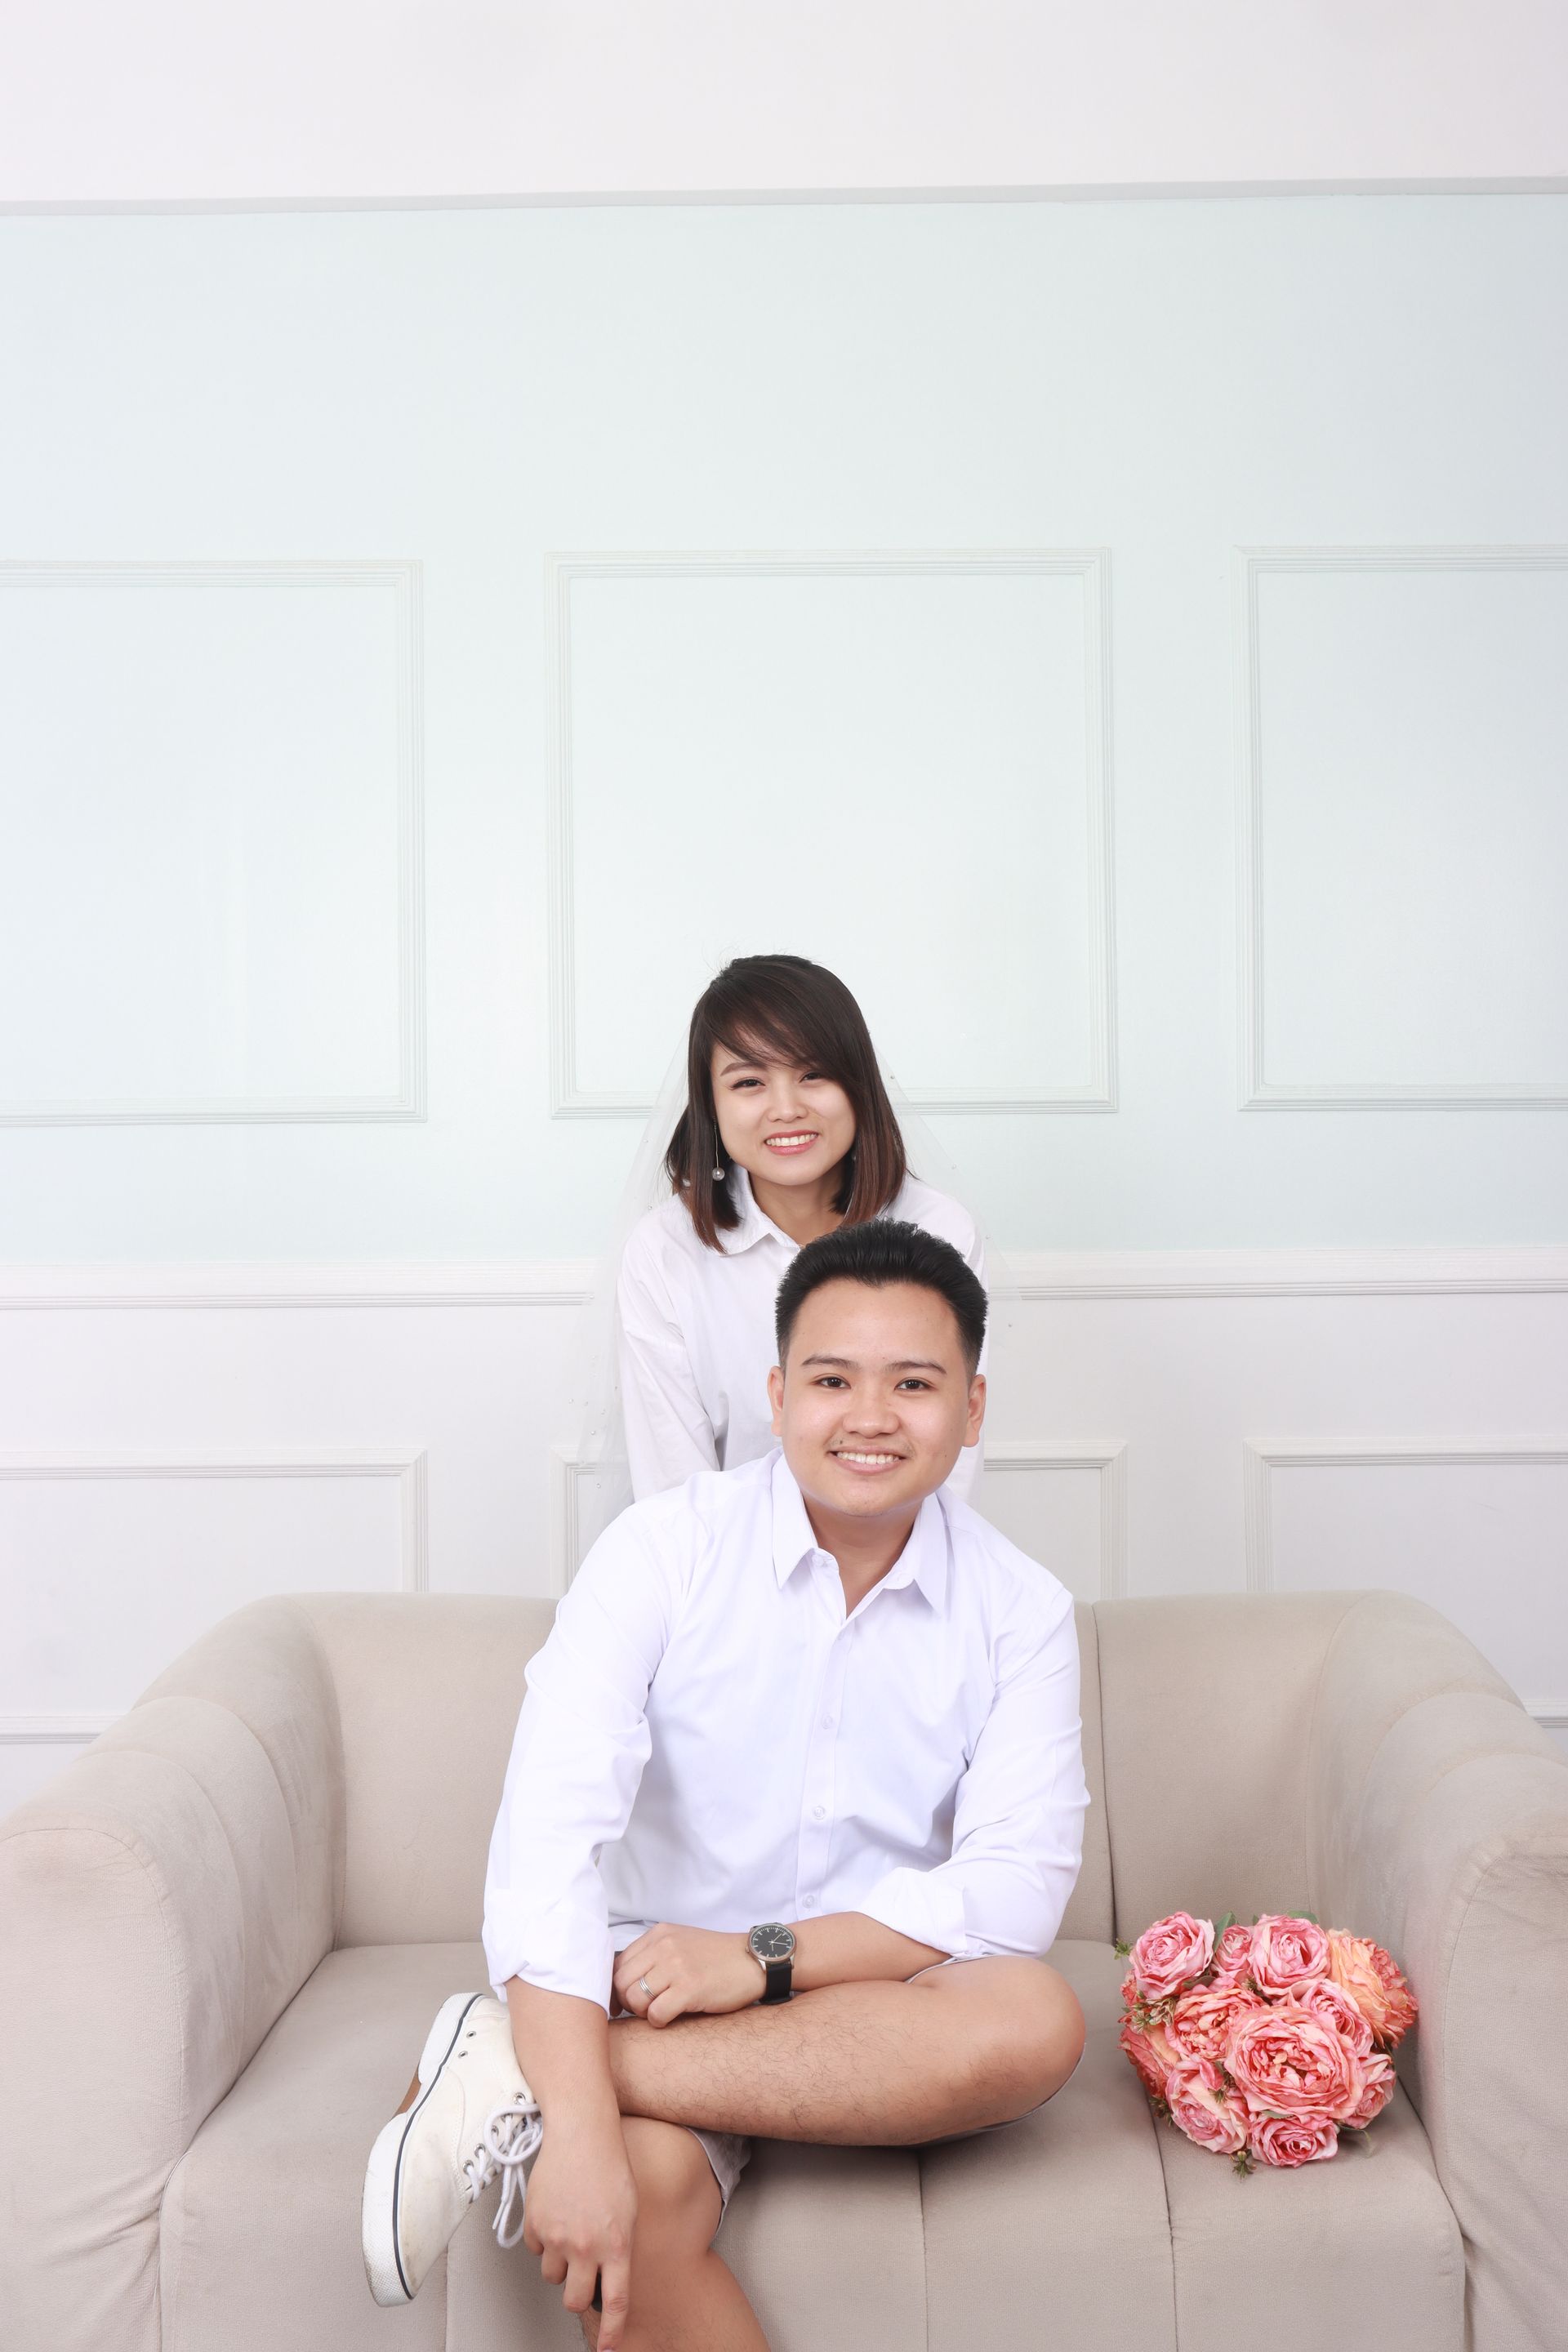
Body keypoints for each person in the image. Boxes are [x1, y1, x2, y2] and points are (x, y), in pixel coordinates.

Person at [362, 1220, 1088, 2350]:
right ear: (779, 1394)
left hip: (863, 1998)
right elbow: (548, 1847)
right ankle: (573, 2071)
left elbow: (1013, 1890)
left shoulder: (1022, 1609)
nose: (870, 1417)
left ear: (973, 1408)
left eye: (914, 1384)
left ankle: (510, 2063)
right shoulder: (659, 1552)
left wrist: (760, 1958)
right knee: (642, 2209)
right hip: (648, 1981)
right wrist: (584, 2135)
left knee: (1034, 2020)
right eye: (832, 1380)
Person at [614, 952, 988, 1503]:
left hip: (904, 1546)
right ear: (710, 1106)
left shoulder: (940, 1229)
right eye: (749, 1082)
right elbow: (674, 1488)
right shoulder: (664, 1251)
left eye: (813, 1075)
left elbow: (947, 1455)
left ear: (858, 1086)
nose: (786, 1109)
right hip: (721, 1553)